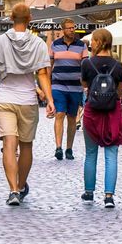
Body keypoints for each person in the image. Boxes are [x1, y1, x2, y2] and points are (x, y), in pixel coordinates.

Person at [0, 3, 54, 206]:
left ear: (10, 18)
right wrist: (49, 100)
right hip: (27, 100)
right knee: (26, 146)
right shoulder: (39, 44)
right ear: (30, 19)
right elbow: (42, 74)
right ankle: (21, 185)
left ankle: (13, 190)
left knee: (8, 144)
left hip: (5, 98)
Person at [80, 28, 122, 208]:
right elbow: (119, 90)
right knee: (111, 154)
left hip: (92, 112)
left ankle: (89, 192)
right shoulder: (118, 65)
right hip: (112, 113)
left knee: (91, 154)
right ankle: (109, 196)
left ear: (99, 42)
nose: (90, 43)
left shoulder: (87, 64)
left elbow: (84, 84)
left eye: (93, 40)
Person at [50, 19, 87, 162]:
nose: (72, 30)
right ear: (63, 30)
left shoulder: (81, 45)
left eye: (73, 27)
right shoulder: (55, 44)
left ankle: (69, 148)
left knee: (72, 117)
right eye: (69, 28)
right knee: (59, 114)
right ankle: (58, 147)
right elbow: (49, 65)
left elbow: (85, 65)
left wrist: (85, 83)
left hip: (75, 87)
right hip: (58, 85)